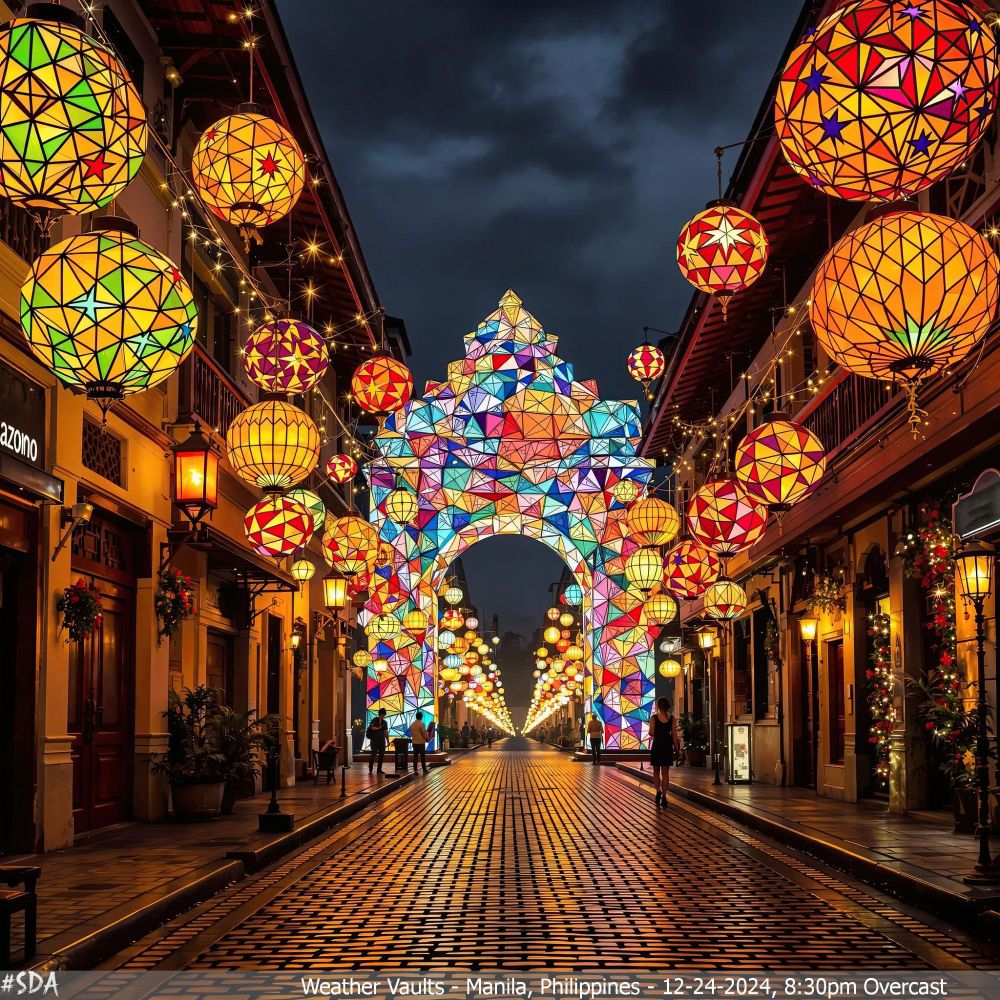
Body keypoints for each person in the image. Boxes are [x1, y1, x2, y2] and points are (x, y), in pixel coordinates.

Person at [650, 697, 680, 808]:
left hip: (657, 745)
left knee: (656, 771)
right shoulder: (672, 719)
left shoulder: (654, 718)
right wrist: (677, 749)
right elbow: (675, 736)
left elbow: (651, 733)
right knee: (665, 773)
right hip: (667, 746)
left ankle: (658, 791)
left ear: (658, 706)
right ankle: (665, 796)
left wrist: (657, 732)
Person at [366, 708, 389, 775]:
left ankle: (379, 770)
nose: (384, 716)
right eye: (384, 714)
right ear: (382, 714)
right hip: (374, 740)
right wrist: (378, 728)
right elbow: (371, 728)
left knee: (381, 755)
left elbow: (385, 733)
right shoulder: (374, 720)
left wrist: (387, 741)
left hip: (381, 741)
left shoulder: (384, 722)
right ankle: (370, 768)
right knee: (373, 754)